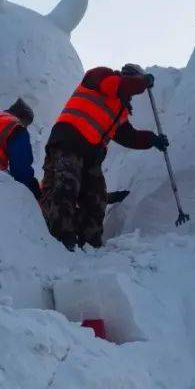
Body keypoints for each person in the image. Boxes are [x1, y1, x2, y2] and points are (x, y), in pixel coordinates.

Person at [40, 64, 168, 250]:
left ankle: (90, 242)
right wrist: (143, 82)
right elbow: (119, 86)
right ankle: (64, 236)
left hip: (91, 157)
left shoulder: (119, 111)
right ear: (127, 77)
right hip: (68, 140)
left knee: (97, 198)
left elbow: (129, 137)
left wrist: (153, 140)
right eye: (132, 83)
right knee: (67, 185)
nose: (131, 93)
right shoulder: (101, 77)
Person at [0, 98, 41, 199]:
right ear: (22, 118)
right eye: (26, 124)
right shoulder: (16, 127)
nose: (26, 127)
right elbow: (21, 170)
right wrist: (35, 191)